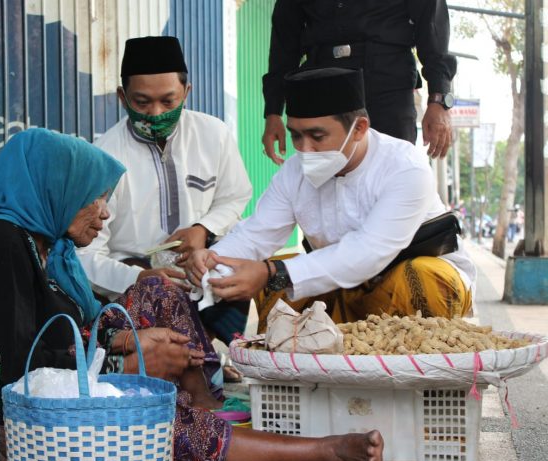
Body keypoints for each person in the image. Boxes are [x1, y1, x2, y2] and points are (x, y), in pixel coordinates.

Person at [0, 127, 384, 461]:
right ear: (55, 189)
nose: (105, 214)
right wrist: (119, 359)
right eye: (95, 198)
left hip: (51, 374)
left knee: (154, 285)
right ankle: (321, 452)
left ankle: (203, 401)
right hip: (2, 415)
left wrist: (122, 343)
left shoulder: (47, 245)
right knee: (148, 419)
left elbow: (64, 331)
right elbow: (19, 369)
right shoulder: (1, 245)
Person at [187, 68, 476, 333]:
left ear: (359, 128)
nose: (305, 148)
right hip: (340, 291)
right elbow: (255, 235)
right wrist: (212, 261)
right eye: (296, 136)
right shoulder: (294, 172)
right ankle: (297, 381)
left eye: (317, 136)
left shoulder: (405, 166)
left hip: (406, 287)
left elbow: (368, 251)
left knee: (420, 278)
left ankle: (419, 374)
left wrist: (273, 272)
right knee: (272, 285)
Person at [77, 36, 253, 347]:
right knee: (156, 301)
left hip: (199, 264)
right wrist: (136, 279)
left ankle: (210, 350)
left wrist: (203, 228)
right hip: (135, 275)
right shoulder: (103, 158)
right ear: (122, 97)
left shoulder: (214, 134)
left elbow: (235, 197)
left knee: (240, 261)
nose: (156, 113)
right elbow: (87, 256)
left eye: (168, 102)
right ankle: (191, 362)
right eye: (142, 102)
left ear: (187, 92)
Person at [261, 0, 456, 163]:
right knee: (325, 178)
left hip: (387, 82)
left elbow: (432, 28)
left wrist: (438, 99)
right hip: (321, 81)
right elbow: (284, 41)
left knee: (392, 167)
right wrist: (273, 111)